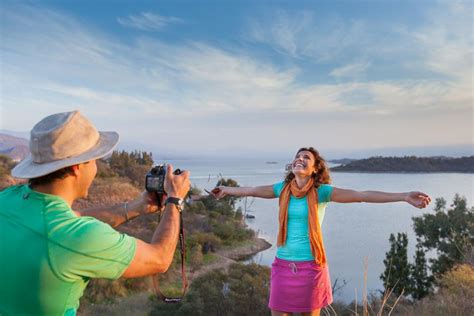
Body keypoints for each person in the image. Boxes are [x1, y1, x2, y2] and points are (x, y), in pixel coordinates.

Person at [0, 111, 190, 315]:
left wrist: (135, 207)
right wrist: (174, 200)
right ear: (76, 168)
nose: (97, 166)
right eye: (94, 159)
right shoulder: (77, 238)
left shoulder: (9, 198)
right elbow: (159, 259)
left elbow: (72, 219)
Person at [210, 147, 431, 316]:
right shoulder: (282, 189)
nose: (300, 158)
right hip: (282, 265)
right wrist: (225, 190)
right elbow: (251, 190)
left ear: (315, 168)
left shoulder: (322, 192)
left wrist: (403, 196)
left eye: (306, 157)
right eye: (298, 156)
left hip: (311, 268)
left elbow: (361, 194)